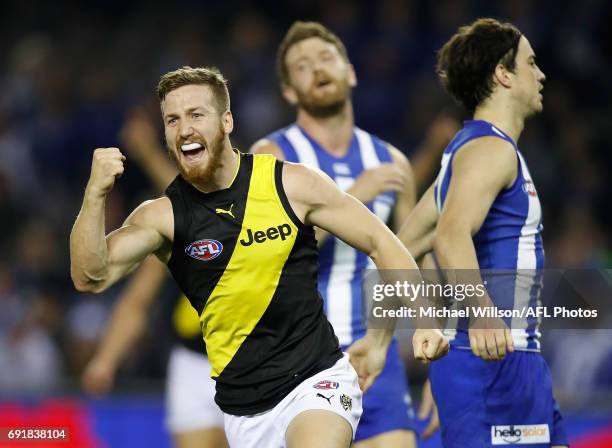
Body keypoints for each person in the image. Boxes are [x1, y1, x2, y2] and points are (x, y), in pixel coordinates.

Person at [70, 66, 448, 448]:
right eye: (172, 119)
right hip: (243, 410)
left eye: (196, 115)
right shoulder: (162, 216)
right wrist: (94, 194)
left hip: (317, 380)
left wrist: (426, 321)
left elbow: (382, 242)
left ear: (227, 121)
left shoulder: (292, 183)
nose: (184, 129)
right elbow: (90, 276)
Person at [251, 21, 455, 447]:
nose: (318, 69)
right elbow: (259, 261)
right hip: (298, 361)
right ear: (289, 92)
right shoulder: (271, 157)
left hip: (375, 358)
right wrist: (352, 198)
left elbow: (415, 260)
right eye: (302, 66)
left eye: (327, 58)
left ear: (351, 72)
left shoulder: (391, 161)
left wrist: (441, 361)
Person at [398, 18, 568, 448]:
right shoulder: (489, 150)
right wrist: (479, 310)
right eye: (531, 63)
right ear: (502, 74)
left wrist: (430, 330)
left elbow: (400, 246)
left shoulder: (467, 154)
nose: (541, 74)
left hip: (503, 360)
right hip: (492, 361)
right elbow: (450, 236)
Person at [80, 111, 228, 448]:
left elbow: (203, 209)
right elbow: (137, 302)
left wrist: (146, 151)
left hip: (251, 357)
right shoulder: (170, 232)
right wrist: (107, 358)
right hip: (192, 363)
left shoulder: (253, 212)